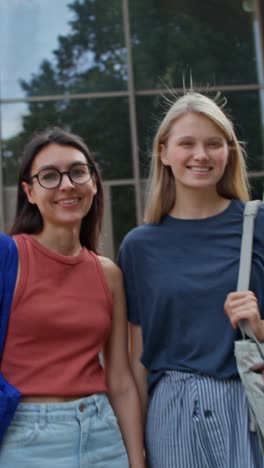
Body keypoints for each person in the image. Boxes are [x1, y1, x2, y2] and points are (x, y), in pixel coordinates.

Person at [118, 91, 264, 468]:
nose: (201, 155)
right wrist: (137, 451)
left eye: (214, 144)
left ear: (228, 153)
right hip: (170, 414)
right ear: (164, 153)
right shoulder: (139, 247)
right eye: (187, 144)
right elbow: (138, 357)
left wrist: (261, 329)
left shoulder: (258, 225)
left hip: (247, 404)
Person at [0, 127, 146, 468]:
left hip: (103, 435)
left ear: (93, 182)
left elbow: (121, 381)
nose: (66, 184)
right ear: (29, 192)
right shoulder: (9, 257)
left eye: (78, 172)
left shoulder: (108, 273)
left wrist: (137, 460)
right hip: (27, 440)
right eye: (49, 176)